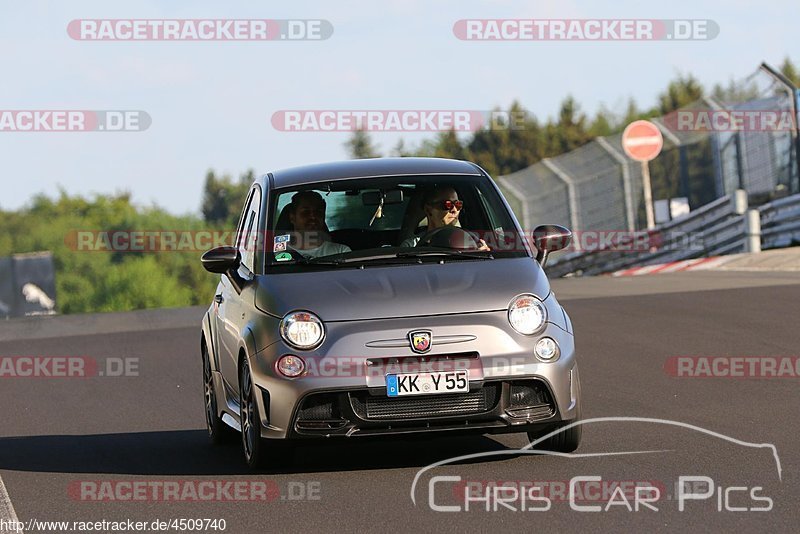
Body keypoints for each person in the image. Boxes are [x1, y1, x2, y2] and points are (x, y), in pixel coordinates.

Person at [400, 186, 490, 250]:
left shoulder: (473, 242)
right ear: (428, 210)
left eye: (458, 204)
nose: (454, 210)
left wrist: (482, 256)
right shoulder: (411, 246)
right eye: (447, 205)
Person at [285, 191, 351, 258]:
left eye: (318, 212)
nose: (313, 217)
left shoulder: (341, 251)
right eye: (306, 212)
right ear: (292, 217)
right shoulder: (279, 255)